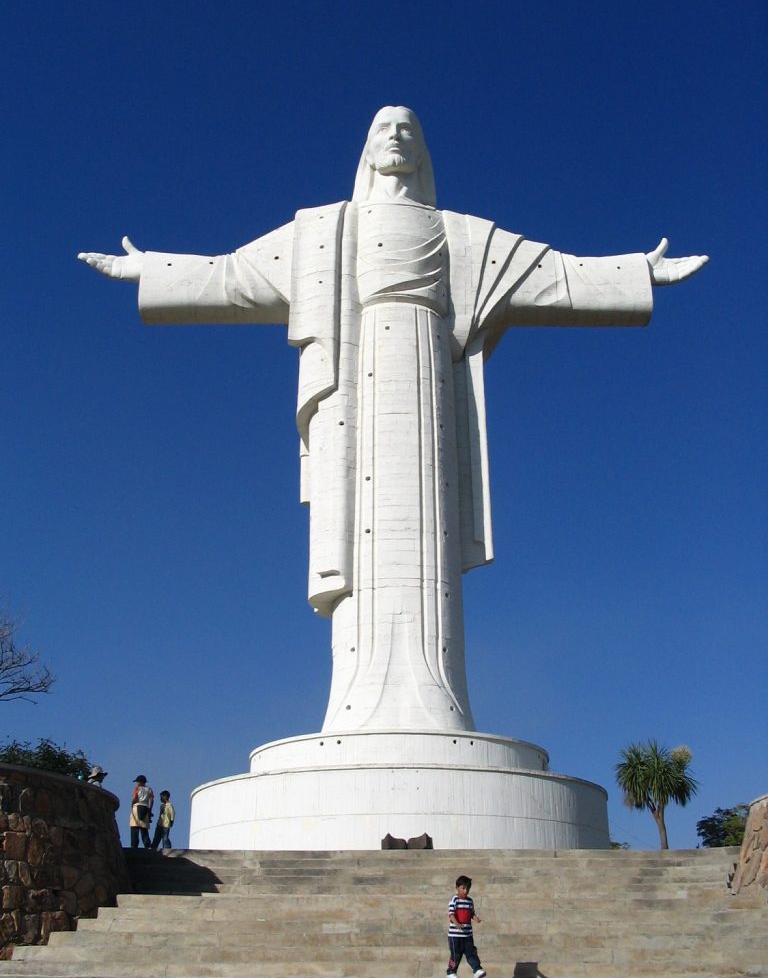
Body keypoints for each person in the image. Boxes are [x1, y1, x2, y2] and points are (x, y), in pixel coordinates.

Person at [78, 108, 708, 738]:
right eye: (385, 129)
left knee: (427, 543)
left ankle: (441, 705)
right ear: (368, 149)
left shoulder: (463, 236)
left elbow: (556, 276)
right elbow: (233, 276)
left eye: (410, 129)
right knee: (360, 547)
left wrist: (636, 271)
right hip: (357, 389)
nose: (398, 137)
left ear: (425, 152)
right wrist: (153, 268)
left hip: (429, 375)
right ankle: (353, 706)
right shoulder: (324, 231)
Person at [447, 874, 485, 978]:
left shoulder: (470, 901)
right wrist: (456, 923)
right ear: (457, 888)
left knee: (471, 952)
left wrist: (475, 918)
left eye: (467, 888)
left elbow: (471, 913)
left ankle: (477, 969)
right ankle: (451, 972)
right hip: (455, 936)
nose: (465, 891)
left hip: (467, 935)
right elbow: (451, 914)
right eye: (463, 888)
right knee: (456, 955)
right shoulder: (454, 900)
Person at [129, 774, 154, 849]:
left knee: (134, 827)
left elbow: (134, 798)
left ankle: (134, 845)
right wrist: (150, 809)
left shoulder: (137, 789)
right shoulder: (149, 789)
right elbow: (152, 800)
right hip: (145, 807)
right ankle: (147, 844)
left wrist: (132, 805)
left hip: (137, 807)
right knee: (144, 828)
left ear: (140, 782)